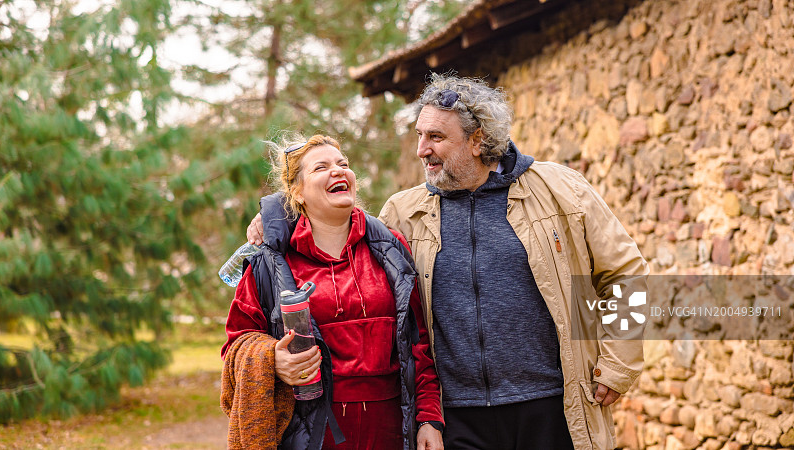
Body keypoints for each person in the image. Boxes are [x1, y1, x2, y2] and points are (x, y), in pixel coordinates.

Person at [246, 76, 649, 450]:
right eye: (420, 135)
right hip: (455, 418)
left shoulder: (561, 189)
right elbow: (339, 234)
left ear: (477, 140)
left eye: (436, 137)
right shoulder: (402, 212)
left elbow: (626, 273)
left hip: (551, 406)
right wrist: (279, 216)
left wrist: (618, 364)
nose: (422, 149)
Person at [221, 134, 444, 450]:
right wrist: (272, 359)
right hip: (311, 433)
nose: (338, 171)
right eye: (321, 167)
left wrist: (429, 419)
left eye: (344, 164)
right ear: (297, 192)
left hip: (392, 429)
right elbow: (236, 343)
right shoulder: (267, 260)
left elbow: (418, 344)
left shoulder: (391, 248)